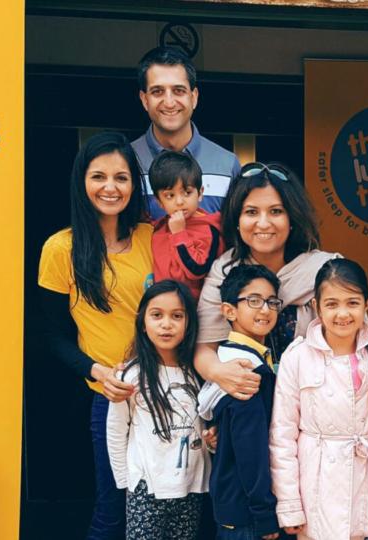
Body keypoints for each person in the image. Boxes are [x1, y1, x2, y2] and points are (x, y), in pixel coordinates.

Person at [38, 131, 152, 539]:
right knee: (113, 507)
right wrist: (97, 371)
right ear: (81, 182)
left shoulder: (151, 237)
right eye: (98, 176)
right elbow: (51, 336)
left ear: (133, 185)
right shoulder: (59, 248)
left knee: (166, 503)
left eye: (121, 178)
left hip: (165, 391)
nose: (110, 187)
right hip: (110, 396)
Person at [269, 258, 368, 540]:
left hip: (363, 486)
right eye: (332, 304)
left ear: (367, 303)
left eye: (352, 303)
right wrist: (290, 505)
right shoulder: (297, 358)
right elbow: (282, 436)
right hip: (314, 488)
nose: (342, 313)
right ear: (316, 306)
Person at [196, 162, 339, 400]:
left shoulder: (326, 270)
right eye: (251, 212)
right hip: (247, 401)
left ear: (292, 217)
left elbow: (354, 346)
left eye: (276, 211)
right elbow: (205, 347)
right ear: (237, 219)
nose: (263, 223)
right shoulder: (224, 270)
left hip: (316, 402)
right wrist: (220, 372)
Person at [107, 280, 209, 540]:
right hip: (146, 487)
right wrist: (126, 480)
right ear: (143, 322)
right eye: (156, 315)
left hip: (190, 485)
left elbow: (204, 426)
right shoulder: (131, 374)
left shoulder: (197, 372)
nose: (166, 324)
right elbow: (116, 429)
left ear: (189, 324)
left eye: (177, 316)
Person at [197, 264, 281, 540]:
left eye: (271, 301)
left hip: (234, 504)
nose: (265, 309)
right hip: (248, 513)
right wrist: (264, 513)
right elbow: (251, 449)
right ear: (229, 310)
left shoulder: (228, 359)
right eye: (253, 301)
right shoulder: (244, 370)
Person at [133, 46, 240, 219]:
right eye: (157, 91)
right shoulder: (126, 162)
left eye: (178, 91)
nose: (169, 102)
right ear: (145, 100)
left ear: (194, 97)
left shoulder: (227, 165)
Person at [149, 150, 224, 299]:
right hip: (160, 305)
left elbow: (197, 269)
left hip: (190, 308)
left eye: (187, 192)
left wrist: (179, 234)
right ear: (159, 202)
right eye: (170, 195)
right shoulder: (160, 226)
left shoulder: (209, 229)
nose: (179, 202)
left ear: (200, 193)